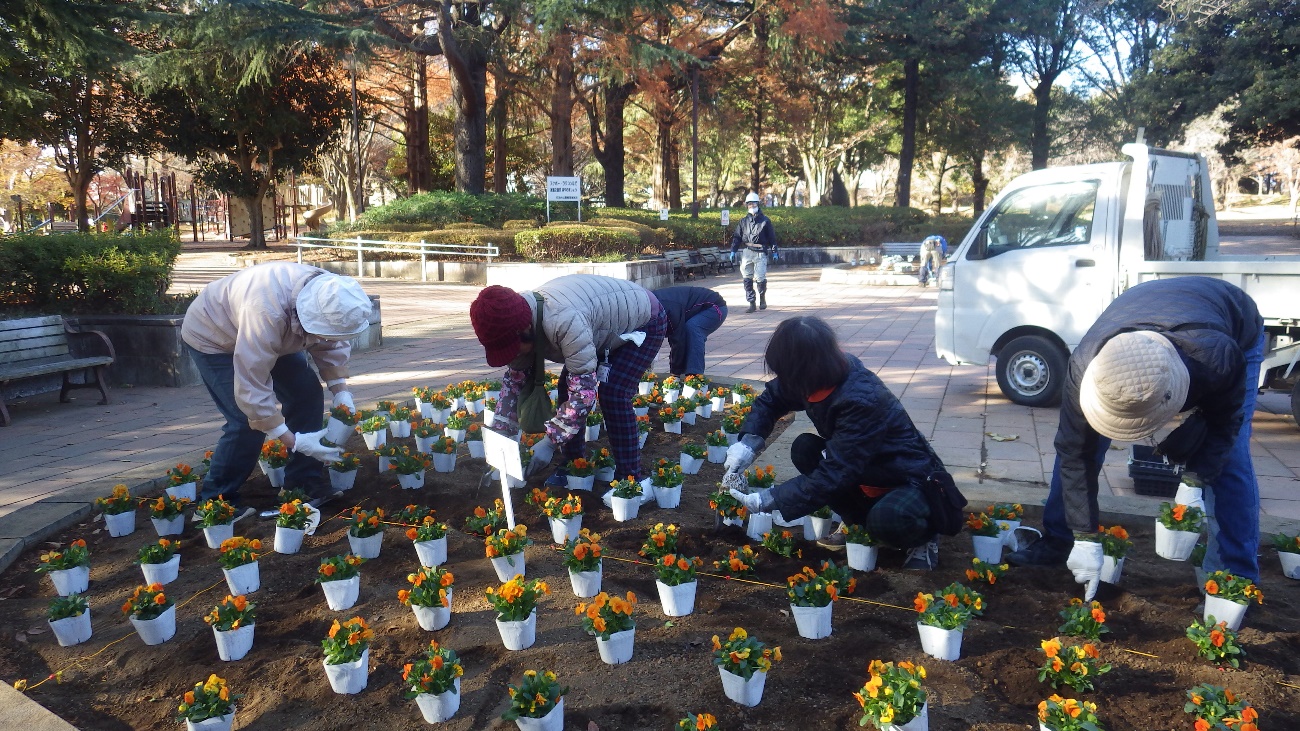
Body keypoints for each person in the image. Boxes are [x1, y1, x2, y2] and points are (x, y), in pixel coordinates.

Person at [1007, 277, 1266, 595]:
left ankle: (1234, 580)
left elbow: (1224, 426)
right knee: (1080, 445)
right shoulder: (1086, 367)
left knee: (1231, 459)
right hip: (1142, 315)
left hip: (1230, 322)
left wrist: (1195, 480)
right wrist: (1085, 537)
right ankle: (1061, 541)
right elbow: (1075, 453)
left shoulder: (1217, 358)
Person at [722, 316, 950, 569]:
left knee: (887, 519)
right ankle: (858, 524)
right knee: (805, 448)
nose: (785, 379)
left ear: (805, 366)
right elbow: (771, 400)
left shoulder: (860, 398)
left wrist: (770, 499)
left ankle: (924, 537)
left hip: (907, 478)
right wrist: (749, 442)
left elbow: (837, 472)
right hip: (865, 468)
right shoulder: (815, 373)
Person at [181, 262, 372, 513]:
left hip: (272, 332)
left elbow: (330, 339)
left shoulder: (332, 292)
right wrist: (293, 440)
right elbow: (252, 382)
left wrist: (341, 392)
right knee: (245, 421)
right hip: (214, 334)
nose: (323, 337)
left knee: (306, 394)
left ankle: (302, 482)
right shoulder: (265, 312)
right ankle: (215, 503)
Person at [469, 274, 666, 486]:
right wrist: (501, 437)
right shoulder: (519, 319)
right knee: (565, 387)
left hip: (644, 320)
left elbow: (583, 394)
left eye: (513, 349)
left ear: (525, 330)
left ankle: (630, 479)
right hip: (600, 326)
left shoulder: (564, 321)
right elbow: (515, 383)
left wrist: (550, 442)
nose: (514, 355)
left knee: (614, 394)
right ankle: (573, 464)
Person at [653, 285, 728, 376]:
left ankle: (695, 376)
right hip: (692, 307)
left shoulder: (668, 308)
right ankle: (685, 372)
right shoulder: (652, 306)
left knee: (692, 328)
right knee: (683, 331)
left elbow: (678, 340)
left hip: (715, 307)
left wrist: (675, 373)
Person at [729, 192, 779, 313]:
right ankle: (751, 302)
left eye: (754, 203)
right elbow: (737, 237)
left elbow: (772, 238)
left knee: (760, 277)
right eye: (749, 204)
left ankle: (762, 297)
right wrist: (733, 251)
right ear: (747, 205)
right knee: (747, 278)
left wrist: (774, 251)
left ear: (758, 204)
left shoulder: (765, 221)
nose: (752, 206)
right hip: (747, 252)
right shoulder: (743, 221)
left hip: (760, 252)